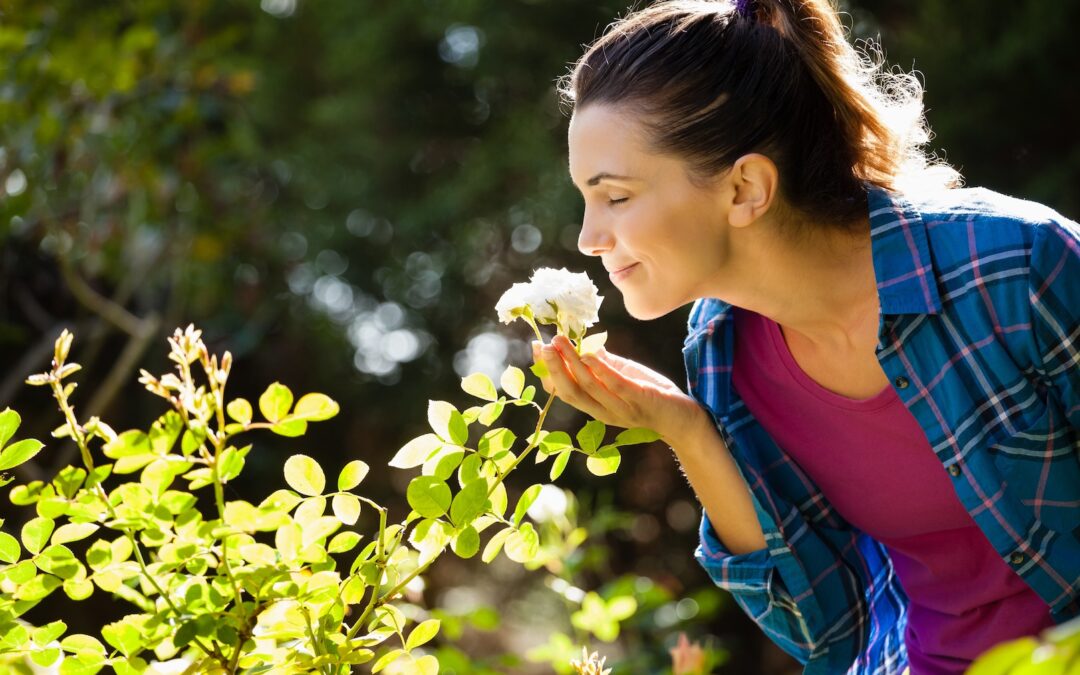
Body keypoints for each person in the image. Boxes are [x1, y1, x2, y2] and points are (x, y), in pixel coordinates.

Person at [529, 1, 1080, 673]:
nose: (589, 237)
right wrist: (686, 430)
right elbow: (828, 629)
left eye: (614, 197)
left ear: (744, 189)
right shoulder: (724, 350)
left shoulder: (1012, 267)